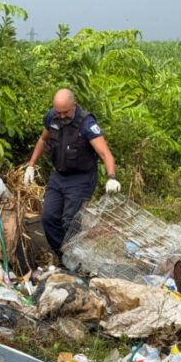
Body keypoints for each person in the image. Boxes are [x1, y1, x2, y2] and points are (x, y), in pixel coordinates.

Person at [23, 88, 120, 255]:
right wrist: (31, 165)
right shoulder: (51, 117)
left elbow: (105, 153)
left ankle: (74, 258)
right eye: (58, 112)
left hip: (81, 178)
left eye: (65, 112)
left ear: (74, 106)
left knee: (70, 222)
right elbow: (42, 139)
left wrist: (112, 177)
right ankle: (64, 257)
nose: (61, 116)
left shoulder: (86, 124)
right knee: (48, 218)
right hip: (59, 176)